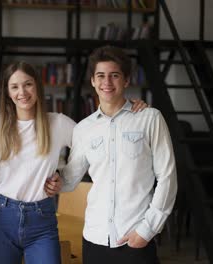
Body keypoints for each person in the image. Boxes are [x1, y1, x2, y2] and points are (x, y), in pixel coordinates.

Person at [0, 61, 148, 264]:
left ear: (37, 87)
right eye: (14, 86)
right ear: (7, 92)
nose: (22, 92)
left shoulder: (58, 123)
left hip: (41, 218)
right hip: (1, 217)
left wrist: (128, 109)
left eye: (28, 84)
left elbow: (98, 136)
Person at [59, 46, 177, 264]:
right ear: (93, 81)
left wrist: (148, 228)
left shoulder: (149, 118)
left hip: (135, 236)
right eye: (101, 76)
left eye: (115, 75)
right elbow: (69, 178)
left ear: (126, 80)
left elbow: (168, 177)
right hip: (95, 238)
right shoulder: (84, 129)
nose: (107, 82)